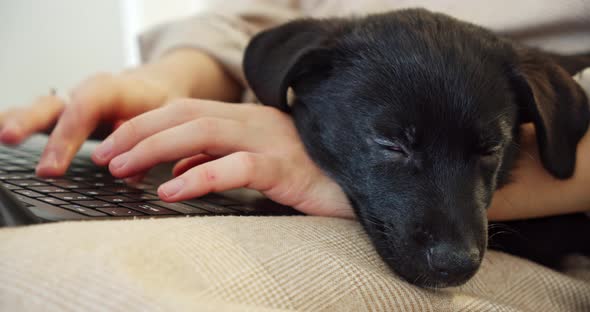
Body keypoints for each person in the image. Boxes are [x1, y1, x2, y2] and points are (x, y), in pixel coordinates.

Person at [0, 0, 588, 220]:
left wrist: (324, 167)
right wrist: (171, 83)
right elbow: (259, 18)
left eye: (487, 148)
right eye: (393, 146)